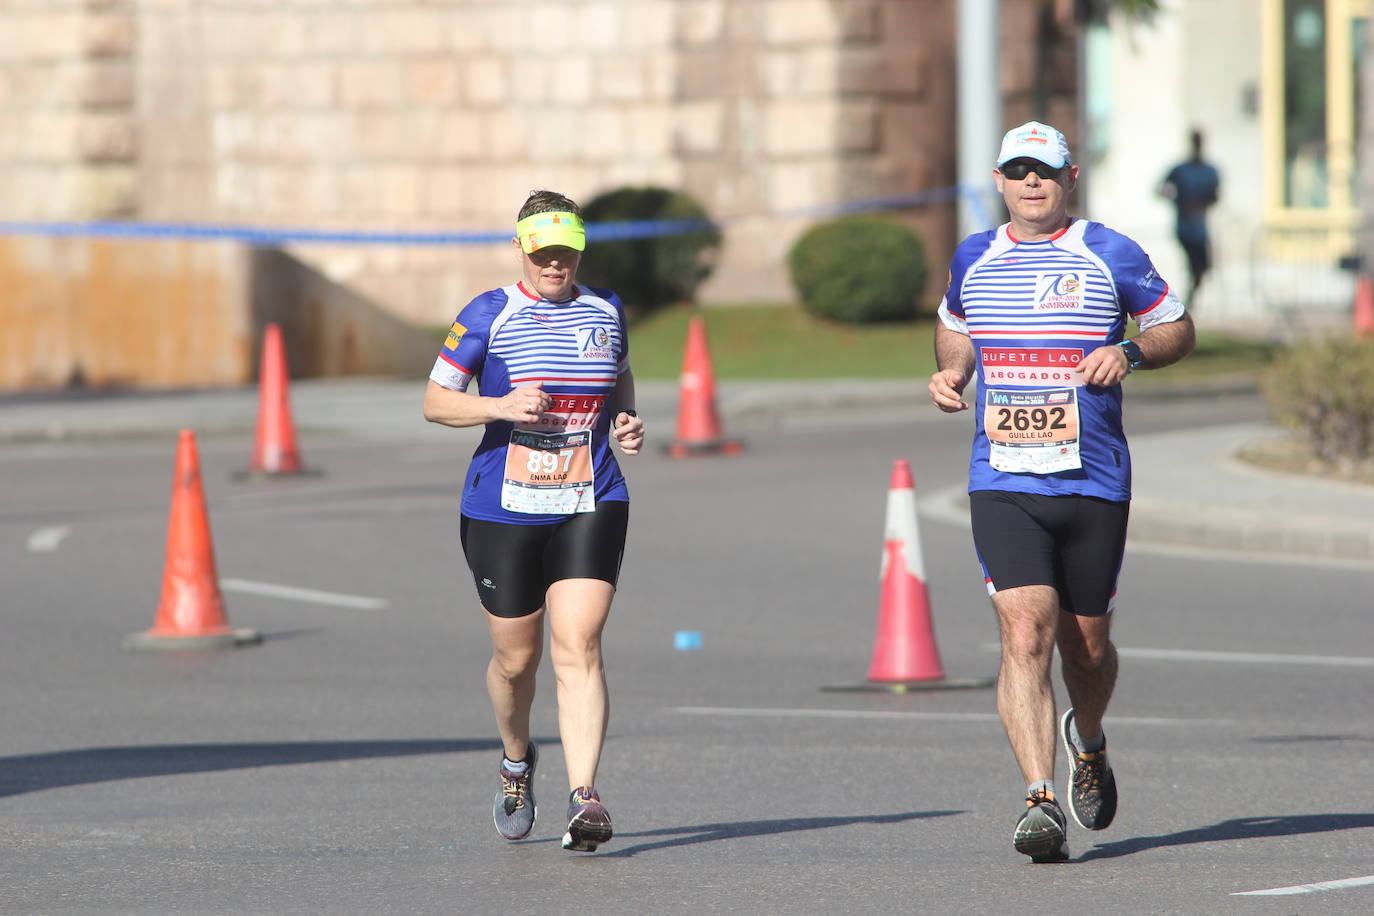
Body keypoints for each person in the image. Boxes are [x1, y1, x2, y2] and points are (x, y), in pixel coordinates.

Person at [928, 121, 1195, 863]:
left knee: (1087, 647)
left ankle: (1091, 739)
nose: (1031, 183)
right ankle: (1039, 799)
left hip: (1095, 480)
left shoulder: (1107, 250)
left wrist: (1130, 352)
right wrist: (954, 373)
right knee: (1024, 633)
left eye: (1043, 171)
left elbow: (1177, 326)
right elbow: (955, 327)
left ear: (1069, 177)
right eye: (1017, 171)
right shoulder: (975, 255)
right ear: (1000, 180)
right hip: (1003, 476)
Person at [423, 189, 644, 853]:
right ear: (523, 248)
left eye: (566, 252)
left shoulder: (607, 309)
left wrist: (626, 422)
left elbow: (622, 380)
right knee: (516, 661)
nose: (555, 264)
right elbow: (436, 403)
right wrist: (498, 404)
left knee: (579, 643)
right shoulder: (490, 311)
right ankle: (517, 761)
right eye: (543, 252)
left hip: (590, 495)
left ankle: (586, 798)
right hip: (503, 506)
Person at [1158, 129, 1221, 308]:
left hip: (1200, 226)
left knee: (1203, 265)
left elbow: (1215, 196)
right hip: (1185, 226)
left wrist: (1201, 203)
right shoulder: (1181, 170)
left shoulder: (1209, 170)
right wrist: (1178, 200)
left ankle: (1190, 298)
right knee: (1195, 263)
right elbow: (1160, 189)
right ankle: (1188, 301)